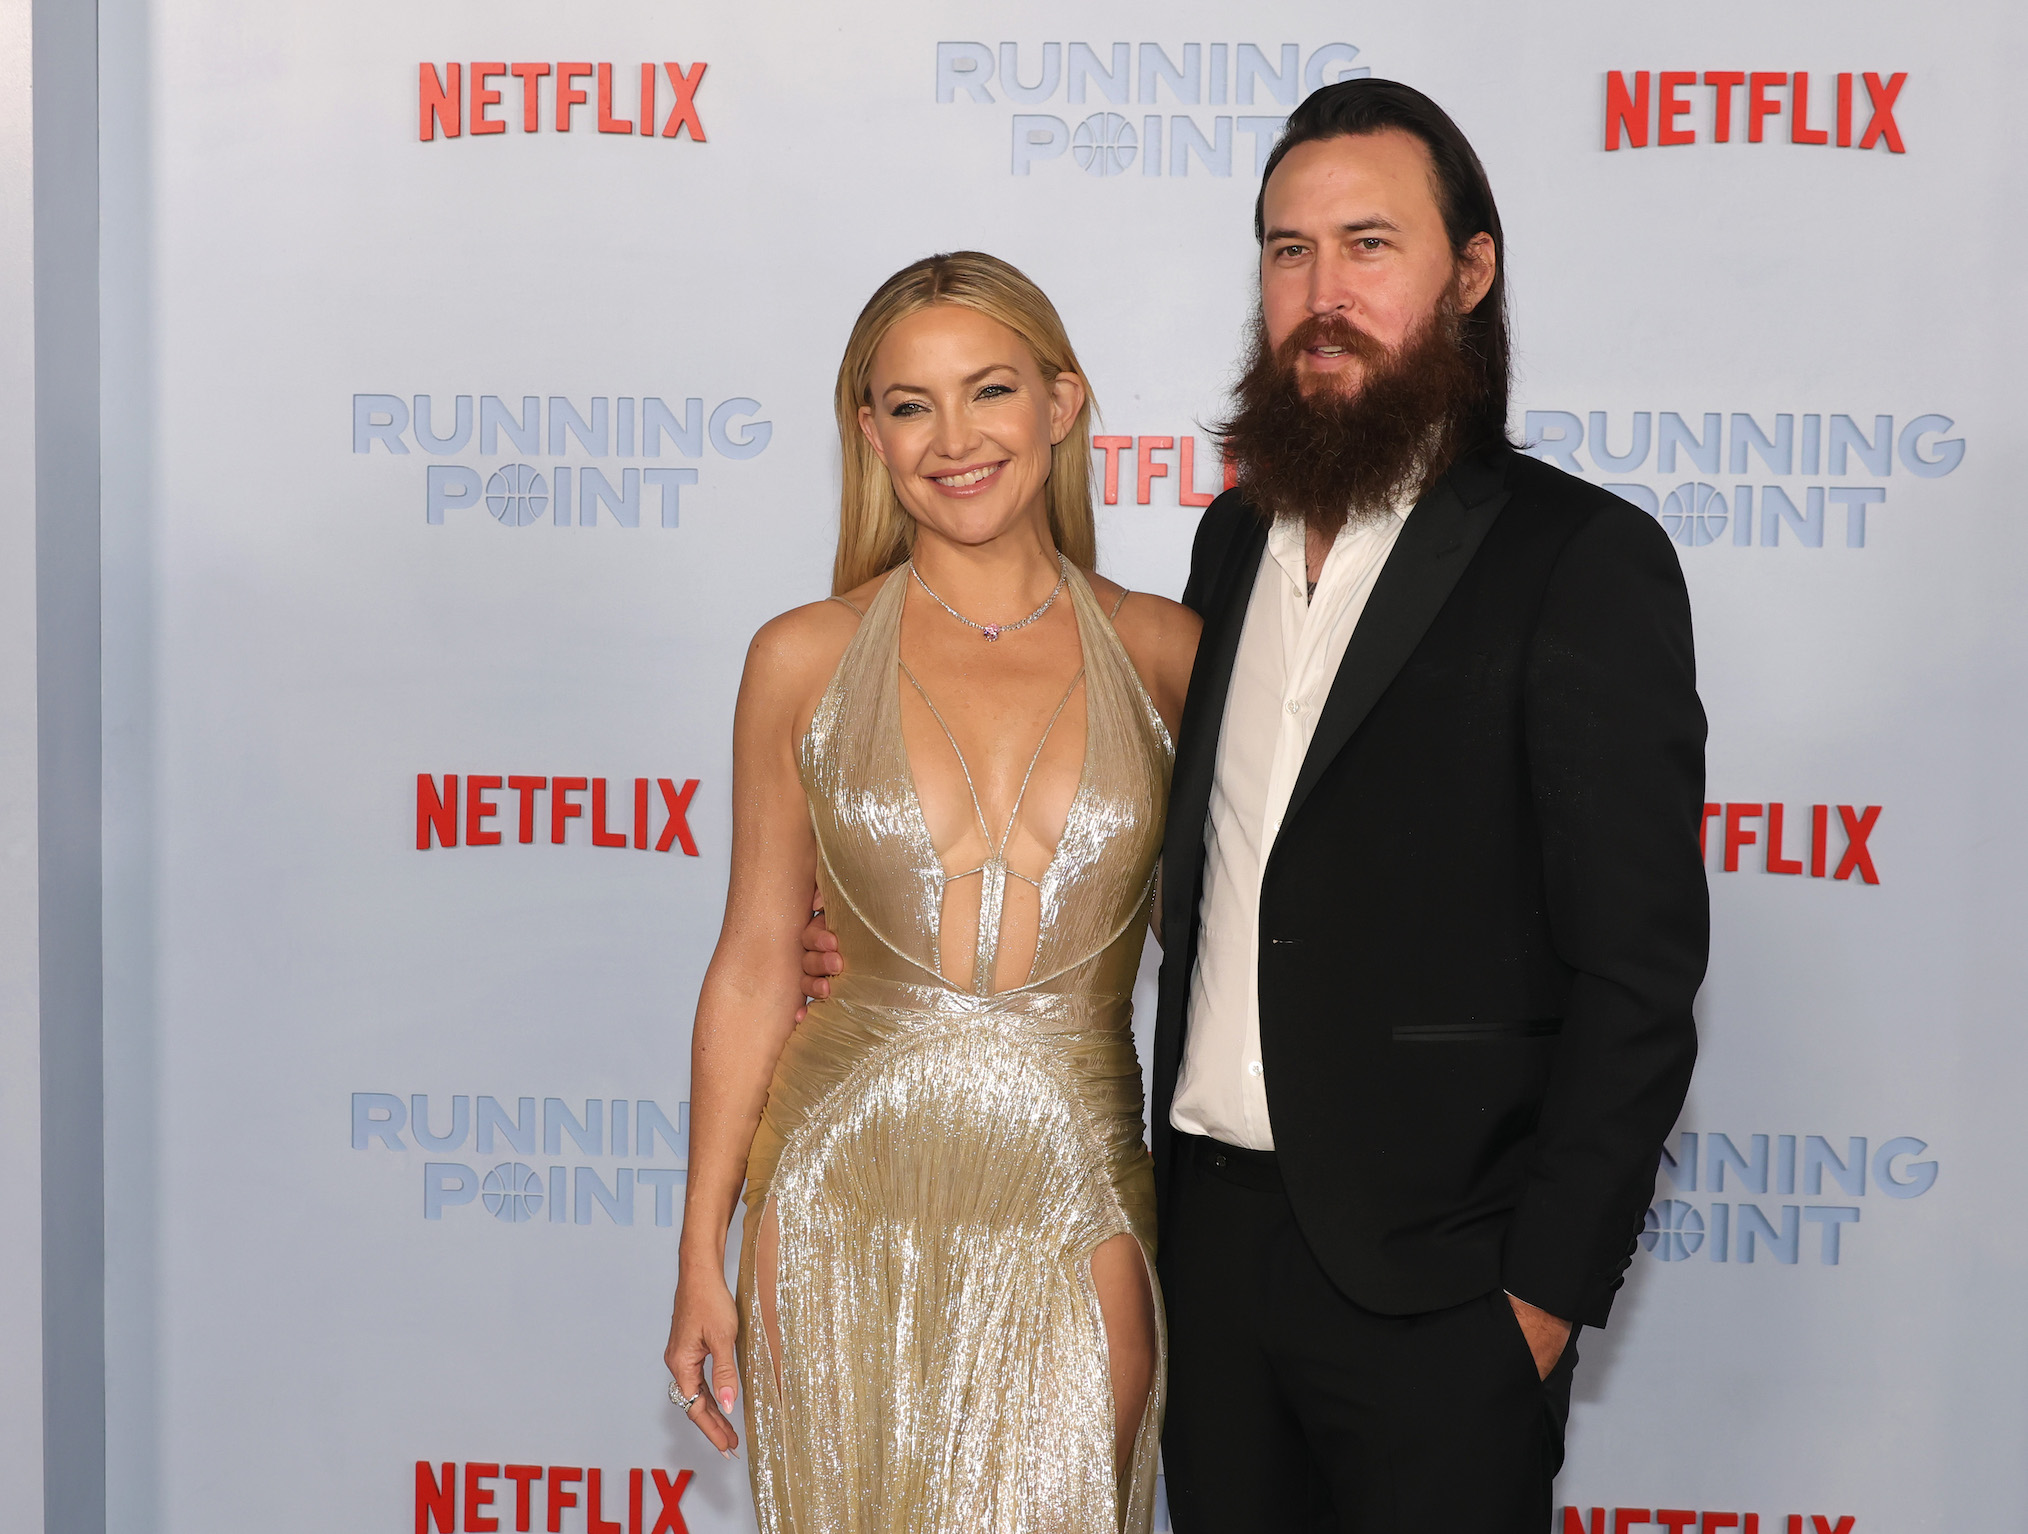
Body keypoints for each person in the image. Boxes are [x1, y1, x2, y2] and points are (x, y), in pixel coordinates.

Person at [802, 80, 1707, 1532]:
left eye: (1367, 245)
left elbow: (1641, 978)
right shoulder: (1227, 541)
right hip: (1208, 1262)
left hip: (1441, 1292)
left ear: (1468, 273)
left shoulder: (1579, 562)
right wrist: (894, 964)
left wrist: (1536, 1304)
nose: (1321, 292)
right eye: (1288, 252)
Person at [663, 251, 1200, 1534]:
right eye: (911, 405)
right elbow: (751, 960)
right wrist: (699, 1247)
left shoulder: (1169, 651)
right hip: (833, 1190)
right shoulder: (801, 657)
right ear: (869, 431)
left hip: (1074, 1189)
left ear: (1062, 407)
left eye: (991, 392)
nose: (954, 440)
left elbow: (1242, 949)